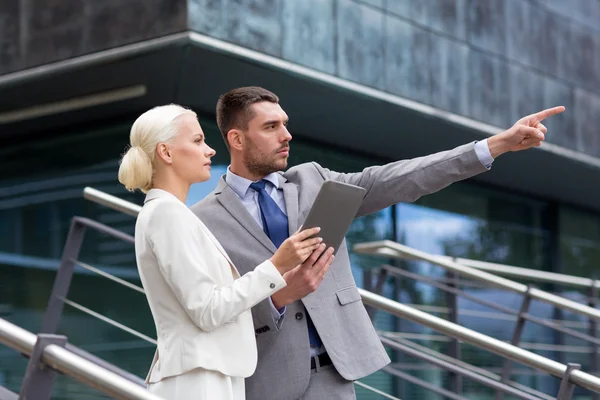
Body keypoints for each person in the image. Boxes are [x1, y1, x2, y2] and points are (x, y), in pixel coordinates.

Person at [191, 86, 565, 400]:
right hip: (264, 384)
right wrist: (276, 298)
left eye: (285, 125)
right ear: (237, 139)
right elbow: (209, 313)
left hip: (335, 378)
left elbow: (401, 178)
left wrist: (494, 146)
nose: (286, 136)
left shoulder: (313, 179)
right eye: (271, 127)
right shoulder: (203, 220)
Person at [117, 104, 334, 400]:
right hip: (197, 381)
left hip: (210, 374)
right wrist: (276, 266)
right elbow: (207, 310)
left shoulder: (173, 214)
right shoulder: (166, 214)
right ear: (166, 153)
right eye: (197, 141)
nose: (210, 151)